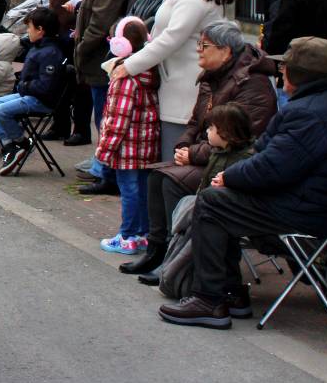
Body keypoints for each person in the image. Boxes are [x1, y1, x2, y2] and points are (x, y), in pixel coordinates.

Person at [158, 37, 327, 330]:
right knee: (221, 199)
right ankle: (231, 294)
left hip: (307, 208)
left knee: (213, 202)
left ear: (299, 74)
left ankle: (210, 299)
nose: (280, 72)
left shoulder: (309, 112)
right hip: (316, 200)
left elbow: (273, 166)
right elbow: (269, 153)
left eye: (285, 67)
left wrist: (229, 176)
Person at [120, 21, 279, 280]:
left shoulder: (252, 84)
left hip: (234, 163)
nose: (198, 51)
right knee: (156, 175)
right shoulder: (212, 77)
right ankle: (156, 250)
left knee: (172, 181)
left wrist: (194, 154)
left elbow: (241, 137)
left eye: (204, 45)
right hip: (211, 155)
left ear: (225, 51)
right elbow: (195, 122)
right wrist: (184, 146)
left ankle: (176, 257)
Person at [110, 0, 239, 161]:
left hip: (183, 88)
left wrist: (129, 65)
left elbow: (171, 37)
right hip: (178, 82)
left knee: (174, 158)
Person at [72, 0, 134, 195]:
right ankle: (104, 170)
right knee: (102, 116)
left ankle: (108, 175)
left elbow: (101, 17)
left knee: (105, 118)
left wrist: (82, 47)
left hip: (101, 58)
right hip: (94, 57)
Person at [95, 15, 160, 255]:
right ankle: (143, 233)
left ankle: (128, 236)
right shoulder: (149, 72)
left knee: (129, 191)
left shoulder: (124, 77)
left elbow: (118, 119)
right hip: (146, 146)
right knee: (142, 190)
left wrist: (104, 149)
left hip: (127, 147)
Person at [0, 7, 65, 175]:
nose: (27, 31)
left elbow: (45, 87)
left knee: (0, 111)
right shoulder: (37, 47)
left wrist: (24, 86)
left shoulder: (50, 53)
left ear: (40, 30)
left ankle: (22, 143)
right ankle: (11, 147)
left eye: (30, 27)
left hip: (40, 101)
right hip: (29, 95)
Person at [48, 0, 92, 145]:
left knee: (79, 84)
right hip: (59, 29)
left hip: (75, 31)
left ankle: (81, 130)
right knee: (58, 79)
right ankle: (60, 125)